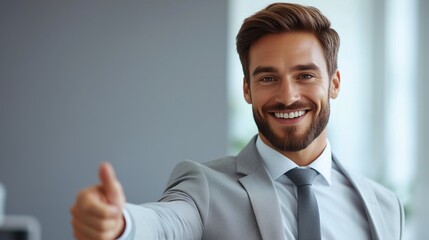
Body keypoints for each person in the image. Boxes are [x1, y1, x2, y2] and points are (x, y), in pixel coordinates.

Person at [70, 3, 404, 240]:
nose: (288, 96)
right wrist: (121, 225)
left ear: (334, 83)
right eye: (268, 78)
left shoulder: (384, 206)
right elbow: (164, 225)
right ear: (247, 89)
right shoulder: (205, 188)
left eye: (305, 75)